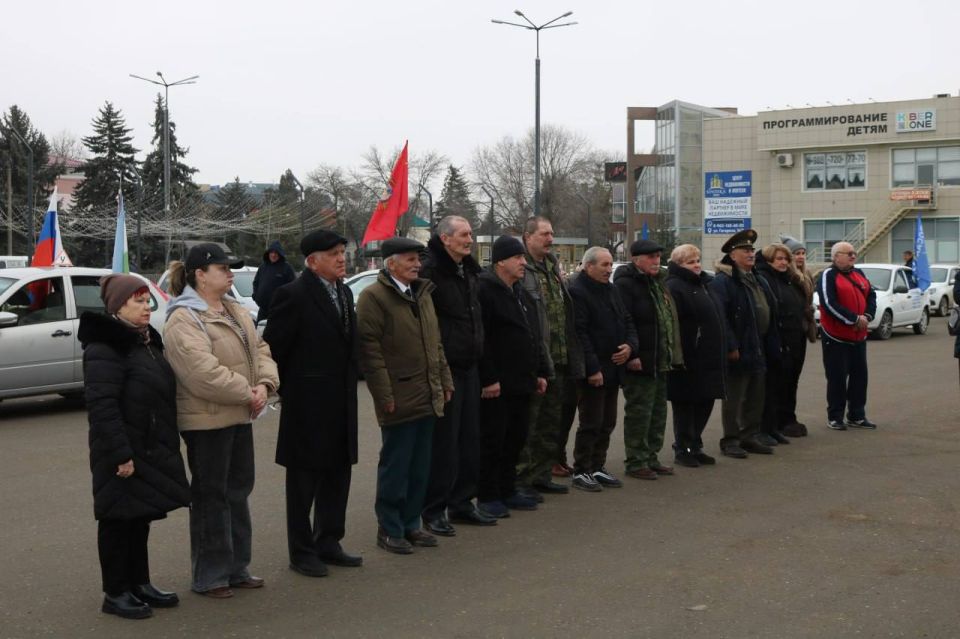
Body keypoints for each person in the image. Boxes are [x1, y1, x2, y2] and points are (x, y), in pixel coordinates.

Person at [163, 243, 279, 598]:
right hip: (208, 421)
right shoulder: (184, 317)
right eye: (223, 268)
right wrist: (249, 393)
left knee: (238, 493)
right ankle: (210, 576)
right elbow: (200, 372)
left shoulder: (234, 309)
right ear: (200, 274)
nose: (230, 273)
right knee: (211, 497)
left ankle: (236, 568)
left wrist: (264, 384)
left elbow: (260, 350)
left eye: (232, 268)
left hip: (240, 415)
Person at [79, 274, 191, 619]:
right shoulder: (105, 346)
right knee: (117, 520)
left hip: (147, 445)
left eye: (148, 301)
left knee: (138, 517)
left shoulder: (144, 339)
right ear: (117, 306)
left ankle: (139, 583)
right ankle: (115, 592)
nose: (147, 307)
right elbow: (103, 406)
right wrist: (121, 454)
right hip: (121, 449)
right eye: (138, 301)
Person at [263, 230, 361, 578]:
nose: (341, 258)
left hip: (341, 402)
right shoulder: (292, 295)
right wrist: (293, 391)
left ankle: (329, 541)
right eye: (333, 253)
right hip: (307, 405)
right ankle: (302, 551)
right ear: (312, 260)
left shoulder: (345, 292)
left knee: (338, 474)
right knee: (304, 482)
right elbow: (274, 348)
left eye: (342, 252)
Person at [357, 237, 455, 554]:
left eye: (418, 259)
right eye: (410, 259)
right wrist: (383, 395)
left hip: (427, 392)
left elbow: (435, 343)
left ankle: (412, 524)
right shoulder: (374, 297)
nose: (417, 264)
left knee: (419, 466)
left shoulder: (422, 293)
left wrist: (445, 380)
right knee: (396, 466)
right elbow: (370, 353)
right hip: (398, 395)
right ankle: (390, 527)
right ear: (391, 263)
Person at [419, 215, 496, 535]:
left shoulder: (471, 272)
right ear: (445, 238)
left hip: (471, 367)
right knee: (444, 444)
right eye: (464, 234)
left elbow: (478, 323)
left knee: (469, 441)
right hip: (445, 369)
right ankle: (433, 509)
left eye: (471, 234)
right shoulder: (430, 273)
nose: (470, 239)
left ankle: (462, 503)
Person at [475, 235, 549, 518]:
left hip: (523, 380)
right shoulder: (485, 291)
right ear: (500, 261)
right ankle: (488, 494)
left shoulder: (522, 293)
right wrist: (488, 378)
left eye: (523, 257)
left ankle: (508, 488)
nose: (523, 263)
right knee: (494, 439)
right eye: (517, 258)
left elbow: (533, 336)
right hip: (497, 384)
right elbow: (483, 340)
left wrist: (540, 371)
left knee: (516, 438)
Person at [515, 216, 585, 495]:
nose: (550, 239)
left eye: (552, 233)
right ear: (528, 237)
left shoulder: (552, 267)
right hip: (537, 359)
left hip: (560, 357)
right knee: (529, 425)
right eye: (544, 234)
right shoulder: (521, 269)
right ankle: (521, 479)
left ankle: (542, 474)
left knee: (551, 422)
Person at [568, 246, 638, 491]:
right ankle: (581, 469)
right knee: (591, 422)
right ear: (589, 266)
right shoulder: (578, 292)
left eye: (610, 265)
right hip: (594, 371)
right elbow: (580, 333)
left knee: (608, 421)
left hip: (614, 367)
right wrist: (592, 368)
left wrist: (630, 346)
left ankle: (598, 465)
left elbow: (627, 320)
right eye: (604, 265)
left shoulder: (611, 290)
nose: (609, 269)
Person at [614, 239, 683, 480]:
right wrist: (633, 354)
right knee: (639, 413)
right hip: (640, 361)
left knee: (657, 413)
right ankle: (636, 461)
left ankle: (651, 457)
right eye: (651, 257)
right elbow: (624, 321)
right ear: (637, 259)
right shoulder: (626, 284)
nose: (657, 261)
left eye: (658, 256)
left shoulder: (657, 282)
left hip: (659, 359)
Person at [709, 229, 781, 458]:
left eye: (752, 250)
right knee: (735, 395)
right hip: (739, 346)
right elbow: (722, 317)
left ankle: (749, 436)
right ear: (732, 255)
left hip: (758, 344)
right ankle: (730, 439)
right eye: (745, 250)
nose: (751, 254)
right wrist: (731, 345)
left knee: (755, 394)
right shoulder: (724, 281)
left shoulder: (756, 278)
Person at [664, 244, 725, 467]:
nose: (697, 265)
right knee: (686, 404)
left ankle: (695, 444)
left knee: (705, 399)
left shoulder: (705, 285)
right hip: (688, 357)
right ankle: (683, 447)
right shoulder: (674, 286)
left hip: (708, 356)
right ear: (679, 265)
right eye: (691, 262)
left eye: (698, 260)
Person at [816, 241, 877, 430]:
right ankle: (835, 416)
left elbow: (871, 295)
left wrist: (866, 316)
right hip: (836, 337)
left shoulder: (859, 273)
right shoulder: (828, 275)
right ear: (836, 257)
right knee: (837, 378)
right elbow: (829, 303)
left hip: (858, 336)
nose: (852, 256)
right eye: (848, 253)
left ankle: (857, 415)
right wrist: (853, 319)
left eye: (854, 253)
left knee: (860, 377)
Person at [756, 243, 808, 444]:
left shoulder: (789, 279)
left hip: (796, 340)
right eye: (779, 259)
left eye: (786, 259)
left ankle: (785, 419)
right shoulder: (765, 280)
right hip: (777, 340)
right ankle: (768, 425)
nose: (784, 262)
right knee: (772, 386)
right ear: (769, 260)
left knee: (790, 382)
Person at [779, 234, 818, 436]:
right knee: (784, 379)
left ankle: (789, 416)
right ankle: (783, 419)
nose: (801, 257)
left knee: (794, 377)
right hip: (788, 334)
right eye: (796, 254)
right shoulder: (789, 278)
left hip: (801, 331)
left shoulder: (806, 276)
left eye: (803, 253)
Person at [252, 240, 296, 323]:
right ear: (268, 253)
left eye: (276, 253)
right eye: (271, 252)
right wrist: (255, 296)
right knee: (260, 332)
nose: (273, 255)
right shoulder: (263, 267)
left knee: (275, 333)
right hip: (263, 309)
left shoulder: (286, 268)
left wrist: (286, 303)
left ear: (280, 254)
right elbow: (256, 282)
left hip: (279, 309)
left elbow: (293, 287)